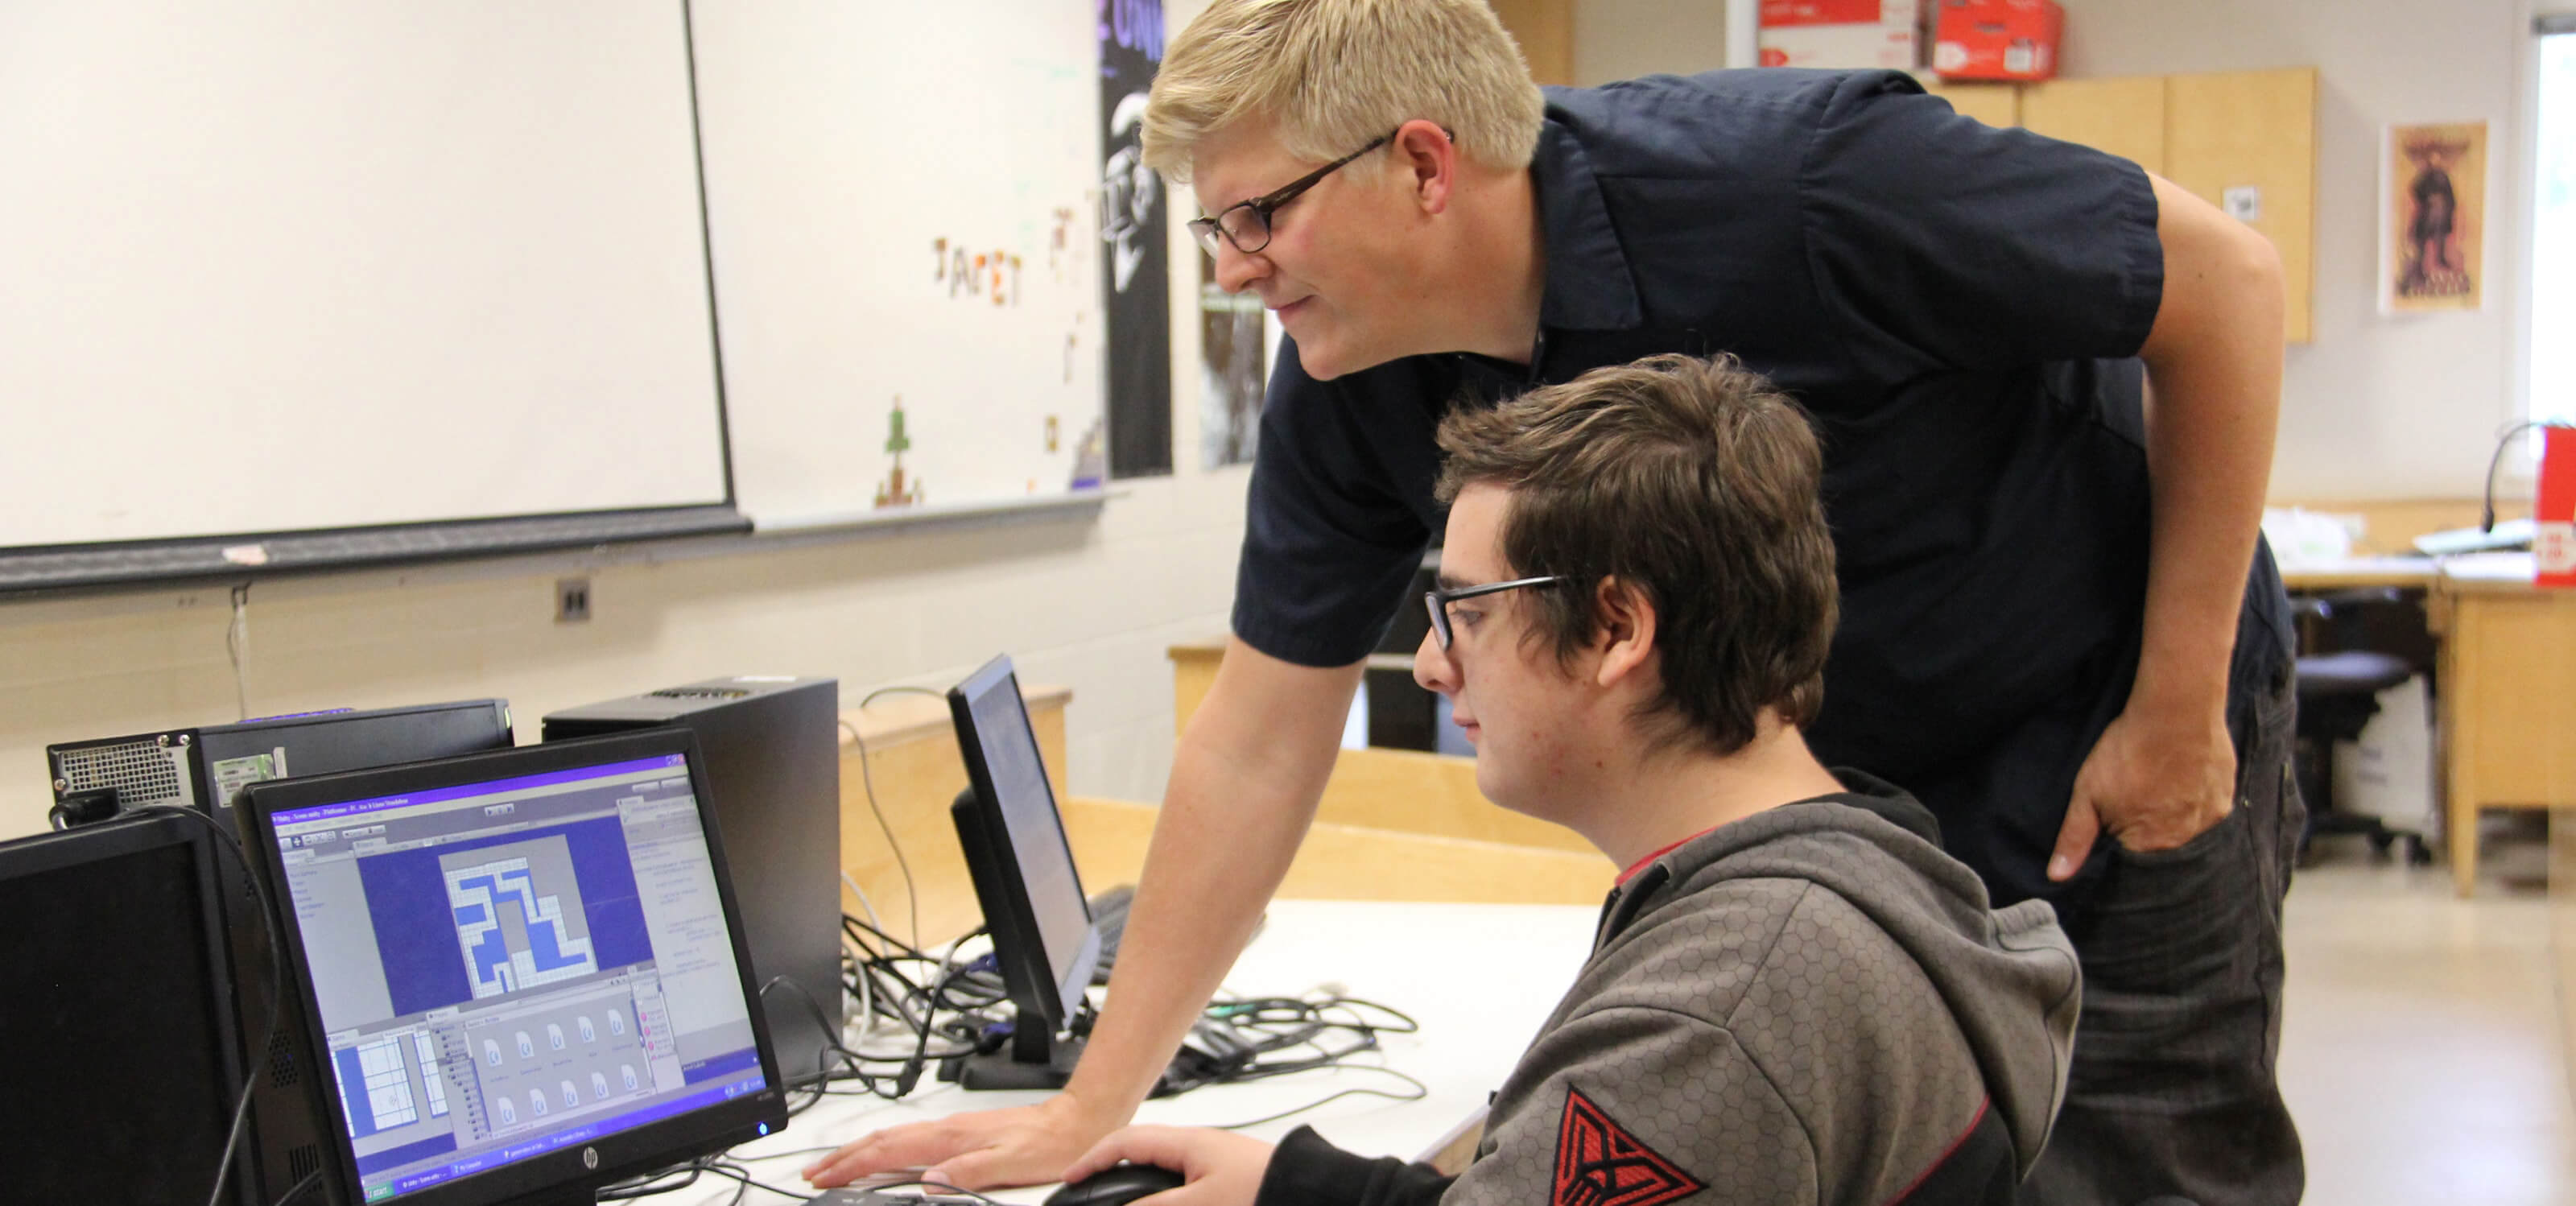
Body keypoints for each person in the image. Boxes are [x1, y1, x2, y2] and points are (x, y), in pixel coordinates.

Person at [803, 2, 2301, 1201]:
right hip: (1830, 792)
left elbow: (2225, 282)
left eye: (1256, 216)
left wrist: (2177, 707)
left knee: (2134, 1150)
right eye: (1213, 232)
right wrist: (1092, 1102)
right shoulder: (1344, 379)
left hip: (2110, 695)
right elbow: (1259, 737)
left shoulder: (1799, 184)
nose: (1235, 271)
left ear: (1425, 163)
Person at [1060, 353, 2083, 1206]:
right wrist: (1304, 1189)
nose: (1429, 662)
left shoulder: (1719, 1011)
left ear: (1614, 629)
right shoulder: (1855, 859)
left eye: (1465, 610)